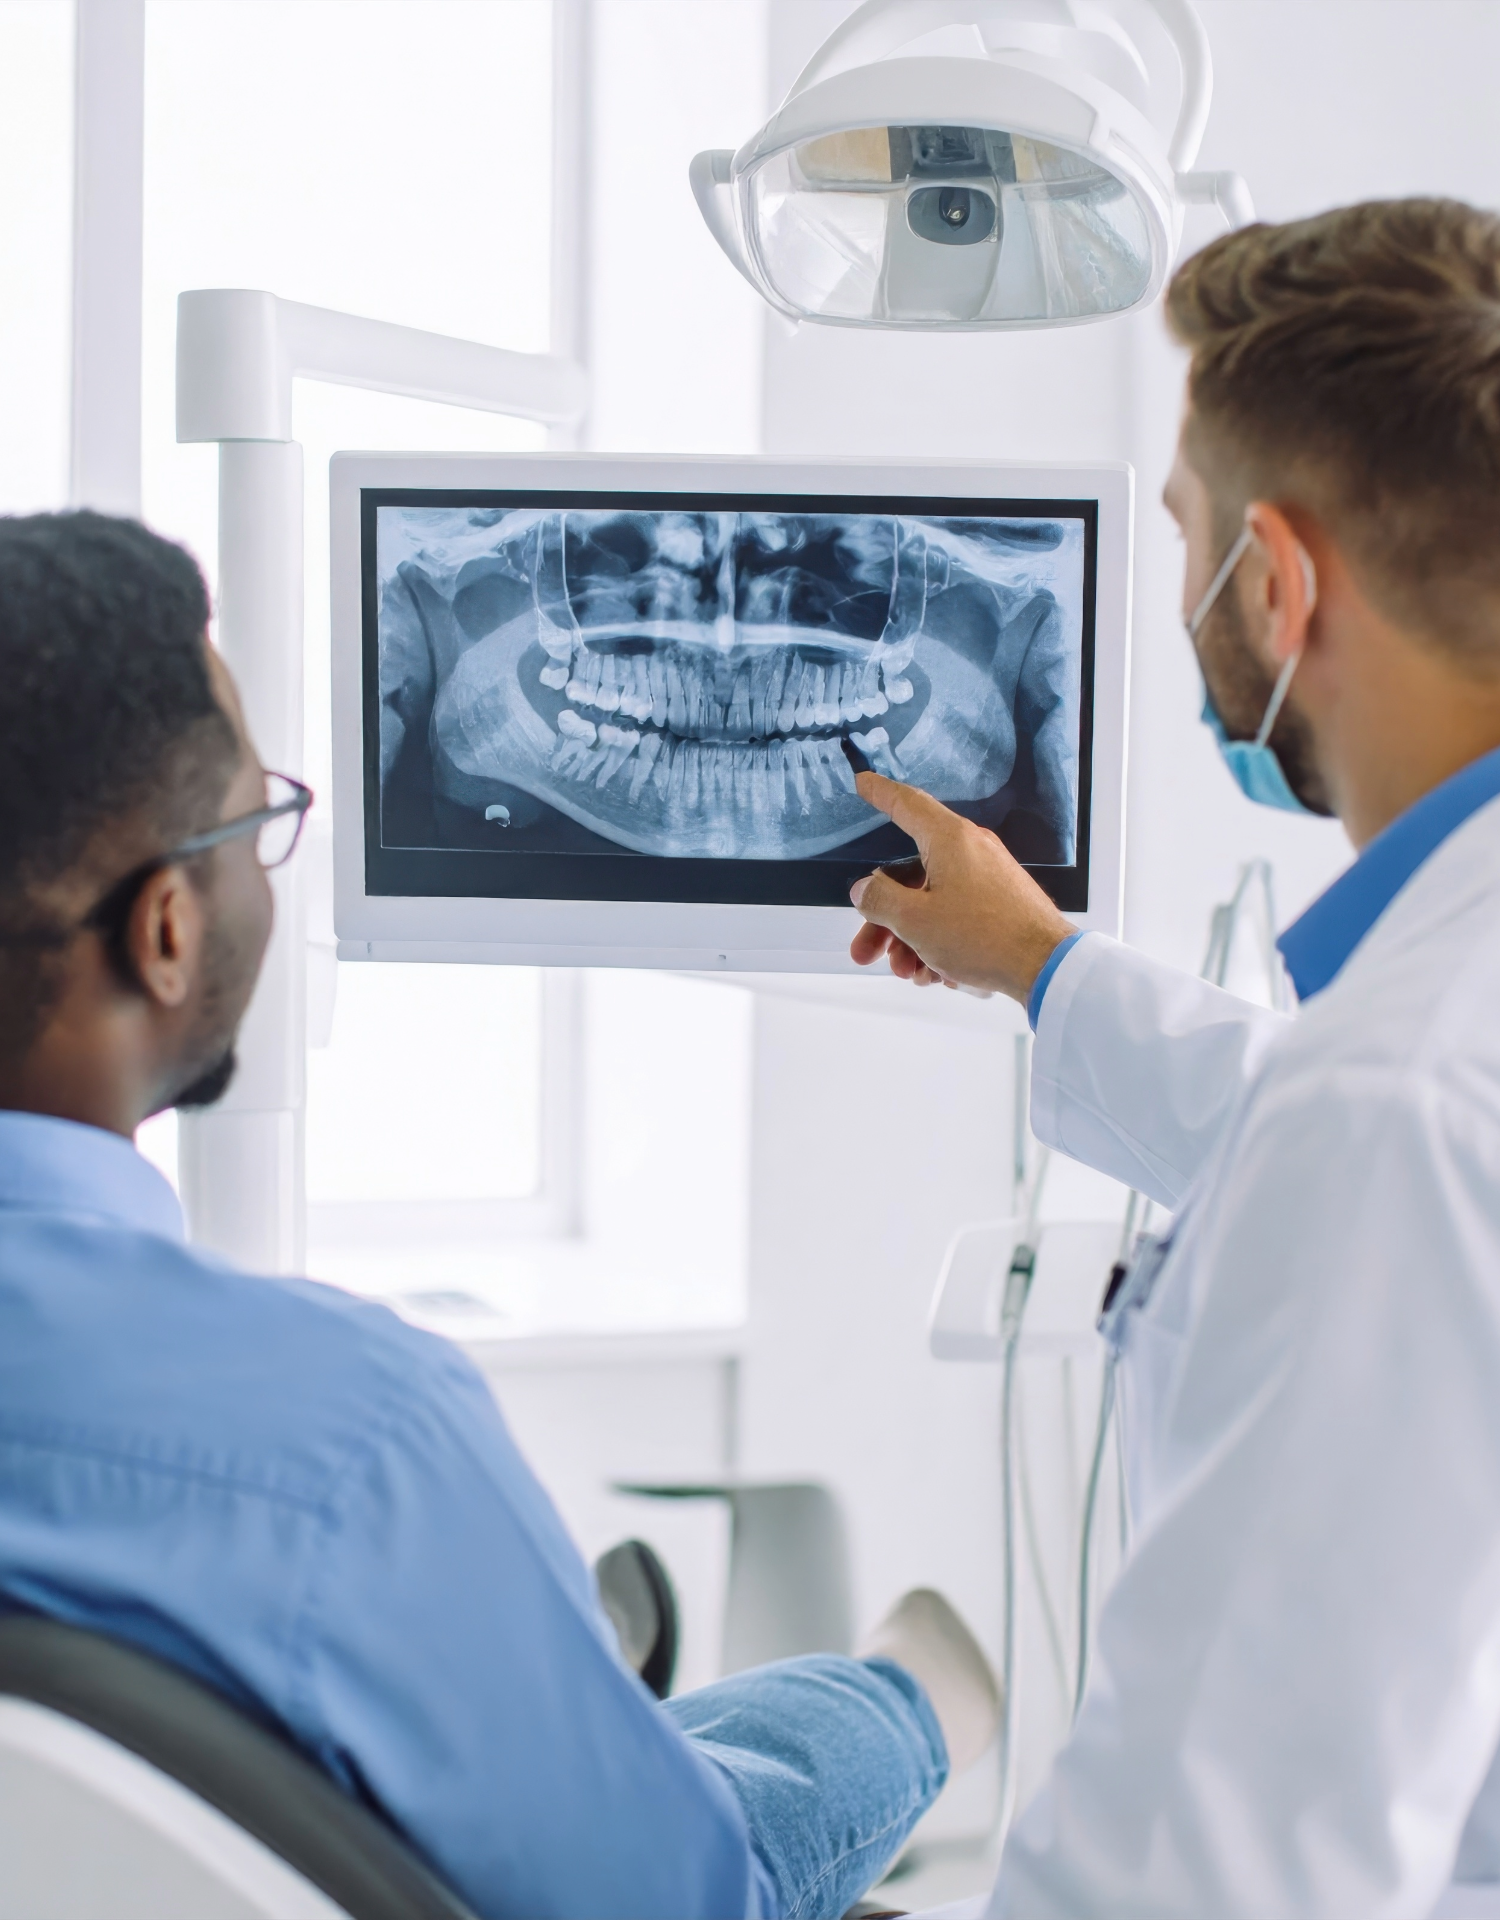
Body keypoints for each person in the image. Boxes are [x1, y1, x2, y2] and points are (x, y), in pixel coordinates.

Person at [0, 510, 1003, 1920]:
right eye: (256, 822)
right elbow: (686, 1900)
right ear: (165, 928)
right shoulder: (344, 1441)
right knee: (769, 1759)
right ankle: (916, 1698)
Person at [848, 195, 1500, 1918]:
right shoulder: (1420, 1049)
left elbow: (1209, 1869)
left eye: (1186, 536)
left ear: (1274, 581)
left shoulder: (1397, 1102)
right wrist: (1038, 962)